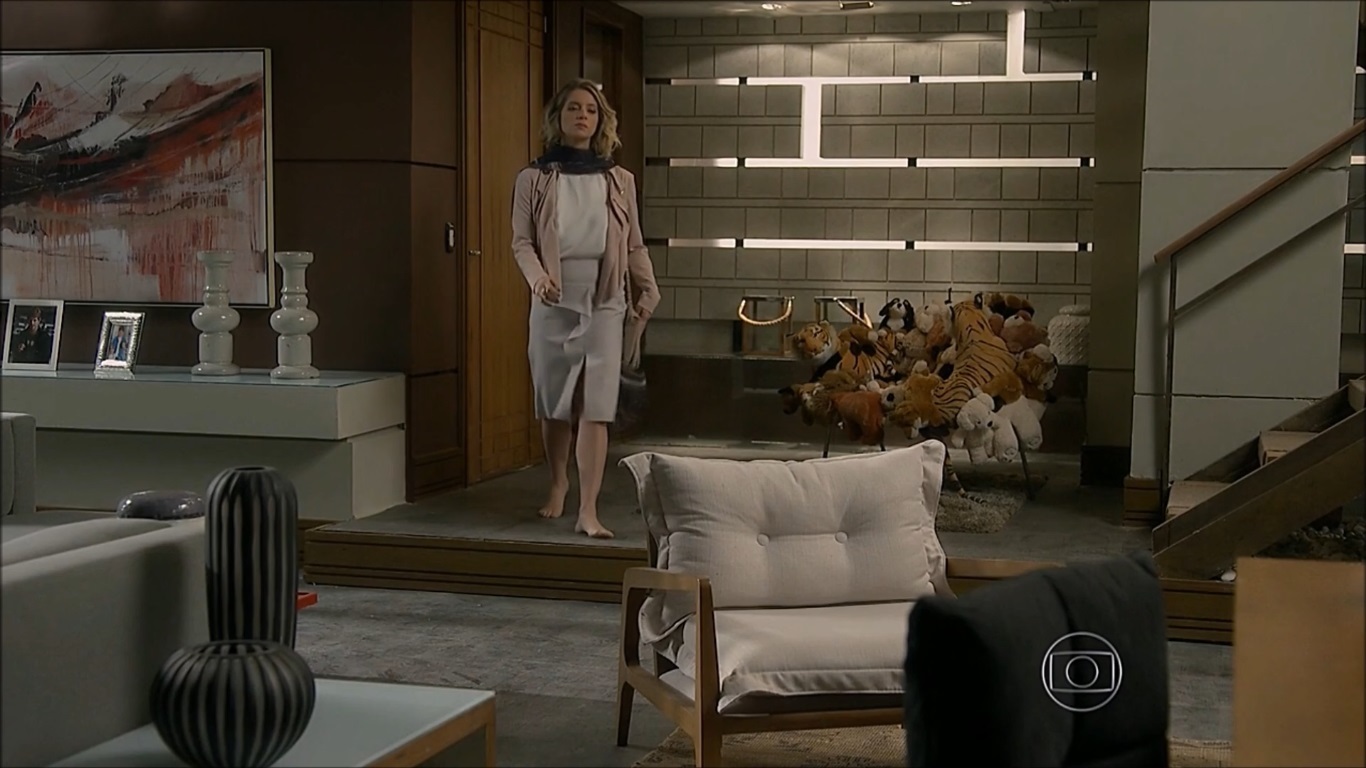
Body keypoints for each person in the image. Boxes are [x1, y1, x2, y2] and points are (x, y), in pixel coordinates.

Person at [510, 79, 660, 539]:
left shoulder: (619, 179)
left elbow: (634, 244)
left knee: (596, 405)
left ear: (600, 121)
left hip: (605, 298)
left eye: (591, 110)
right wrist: (538, 279)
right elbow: (521, 242)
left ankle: (588, 510)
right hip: (553, 297)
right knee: (556, 403)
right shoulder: (534, 178)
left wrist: (648, 288)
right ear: (558, 118)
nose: (583, 116)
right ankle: (558, 483)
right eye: (574, 108)